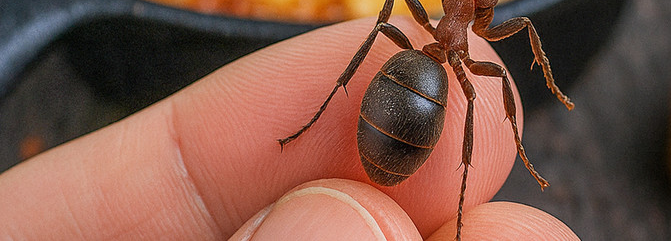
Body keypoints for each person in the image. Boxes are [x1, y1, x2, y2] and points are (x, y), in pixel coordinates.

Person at [0, 16, 579, 240]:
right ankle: (458, 196)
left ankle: (462, 189)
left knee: (457, 80)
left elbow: (388, 18)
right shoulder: (480, 26)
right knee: (476, 93)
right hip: (408, 96)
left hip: (410, 88)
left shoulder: (436, 7)